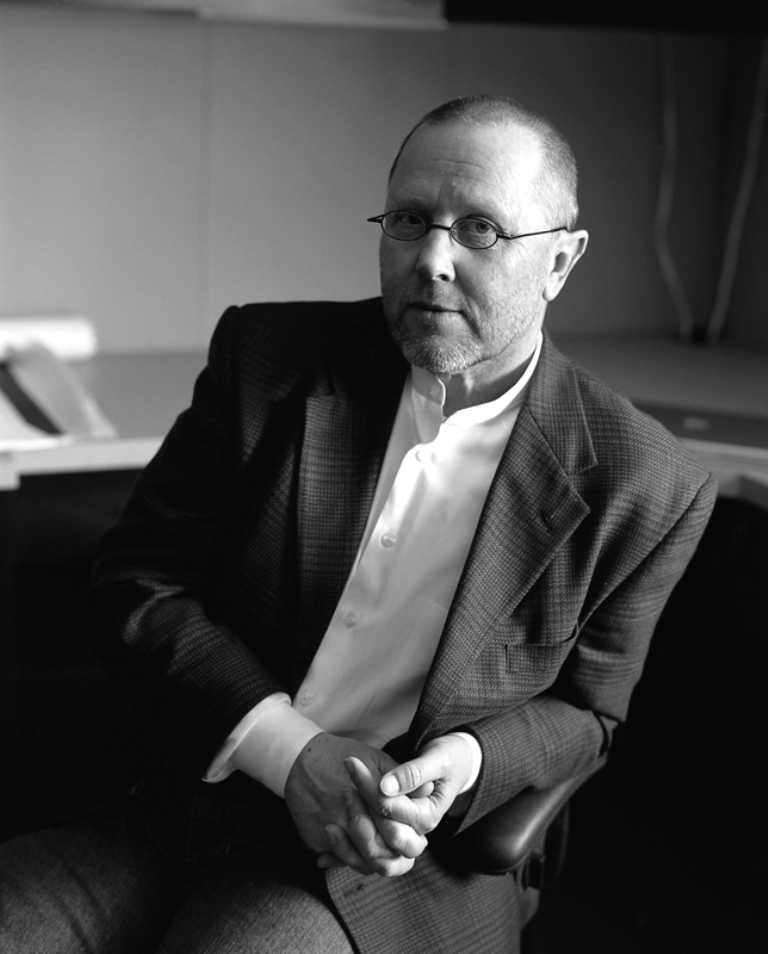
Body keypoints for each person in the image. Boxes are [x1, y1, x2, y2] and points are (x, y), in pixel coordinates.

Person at [0, 94, 716, 954]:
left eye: (481, 229)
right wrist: (288, 751)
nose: (432, 260)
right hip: (167, 771)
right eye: (409, 219)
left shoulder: (644, 483)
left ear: (559, 261)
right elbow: (135, 586)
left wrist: (466, 763)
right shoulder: (265, 360)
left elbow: (589, 714)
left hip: (382, 860)